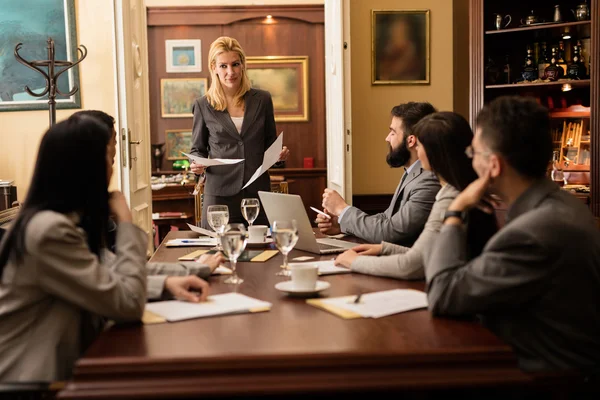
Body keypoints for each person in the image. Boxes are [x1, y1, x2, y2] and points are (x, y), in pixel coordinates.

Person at [0, 114, 219, 382]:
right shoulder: (49, 231)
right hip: (33, 384)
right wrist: (126, 223)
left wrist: (176, 278)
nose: (112, 168)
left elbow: (107, 270)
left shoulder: (63, 219)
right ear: (85, 167)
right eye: (108, 158)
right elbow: (127, 303)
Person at [426, 96, 600, 373]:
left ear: (493, 165)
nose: (471, 162)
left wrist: (455, 210)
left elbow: (442, 294)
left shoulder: (533, 232)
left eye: (473, 154)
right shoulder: (564, 205)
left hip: (540, 380)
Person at [72, 110, 225, 302]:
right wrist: (126, 222)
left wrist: (197, 269)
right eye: (112, 151)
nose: (113, 163)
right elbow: (127, 294)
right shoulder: (57, 230)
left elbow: (121, 269)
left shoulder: (84, 212)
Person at [334, 112, 497, 279]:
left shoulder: (451, 196)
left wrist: (353, 262)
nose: (416, 150)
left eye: (419, 145)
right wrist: (385, 249)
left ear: (434, 152)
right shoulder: (454, 189)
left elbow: (411, 266)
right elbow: (429, 253)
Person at [190, 36, 289, 228]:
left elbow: (270, 143)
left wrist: (280, 155)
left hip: (257, 194)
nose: (230, 72)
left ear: (243, 64)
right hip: (219, 196)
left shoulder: (263, 100)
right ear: (214, 68)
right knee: (220, 254)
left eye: (235, 64)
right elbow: (197, 150)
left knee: (262, 252)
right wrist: (196, 164)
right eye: (223, 66)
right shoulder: (203, 105)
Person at [316, 102, 440, 245]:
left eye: (393, 132)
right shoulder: (412, 172)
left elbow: (390, 233)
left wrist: (342, 209)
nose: (387, 138)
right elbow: (387, 218)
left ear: (411, 140)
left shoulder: (429, 180)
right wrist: (342, 224)